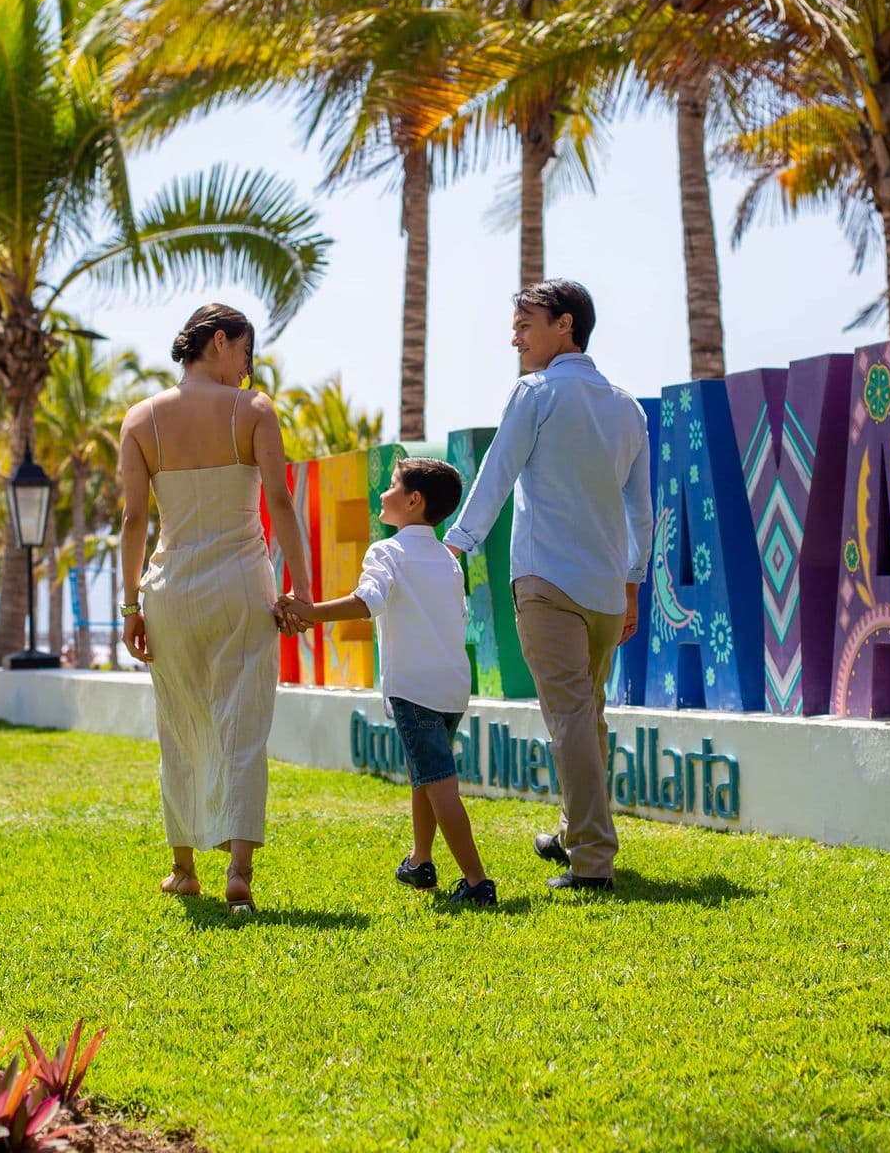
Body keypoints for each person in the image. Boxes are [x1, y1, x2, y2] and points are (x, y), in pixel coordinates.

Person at [442, 279, 652, 892]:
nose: (515, 335)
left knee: (570, 720)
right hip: (608, 590)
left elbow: (496, 474)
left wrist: (456, 545)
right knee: (588, 717)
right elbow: (641, 510)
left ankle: (591, 860)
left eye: (525, 323)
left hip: (546, 582)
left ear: (565, 325)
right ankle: (570, 833)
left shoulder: (534, 393)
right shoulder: (627, 407)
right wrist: (634, 584)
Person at [118, 304, 311, 913]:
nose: (247, 373)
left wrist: (128, 605)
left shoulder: (140, 419)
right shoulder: (252, 412)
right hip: (241, 584)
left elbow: (133, 521)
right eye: (246, 357)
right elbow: (278, 502)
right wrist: (300, 590)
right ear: (222, 343)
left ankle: (183, 868)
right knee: (243, 724)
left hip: (170, 586)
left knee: (179, 725)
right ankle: (239, 871)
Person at [278, 459, 497, 907]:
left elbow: (368, 601)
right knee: (426, 776)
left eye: (393, 484)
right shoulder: (449, 561)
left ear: (413, 501)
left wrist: (309, 611)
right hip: (451, 688)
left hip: (413, 688)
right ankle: (420, 862)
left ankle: (477, 883)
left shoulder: (387, 552)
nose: (383, 492)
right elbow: (457, 619)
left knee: (440, 784)